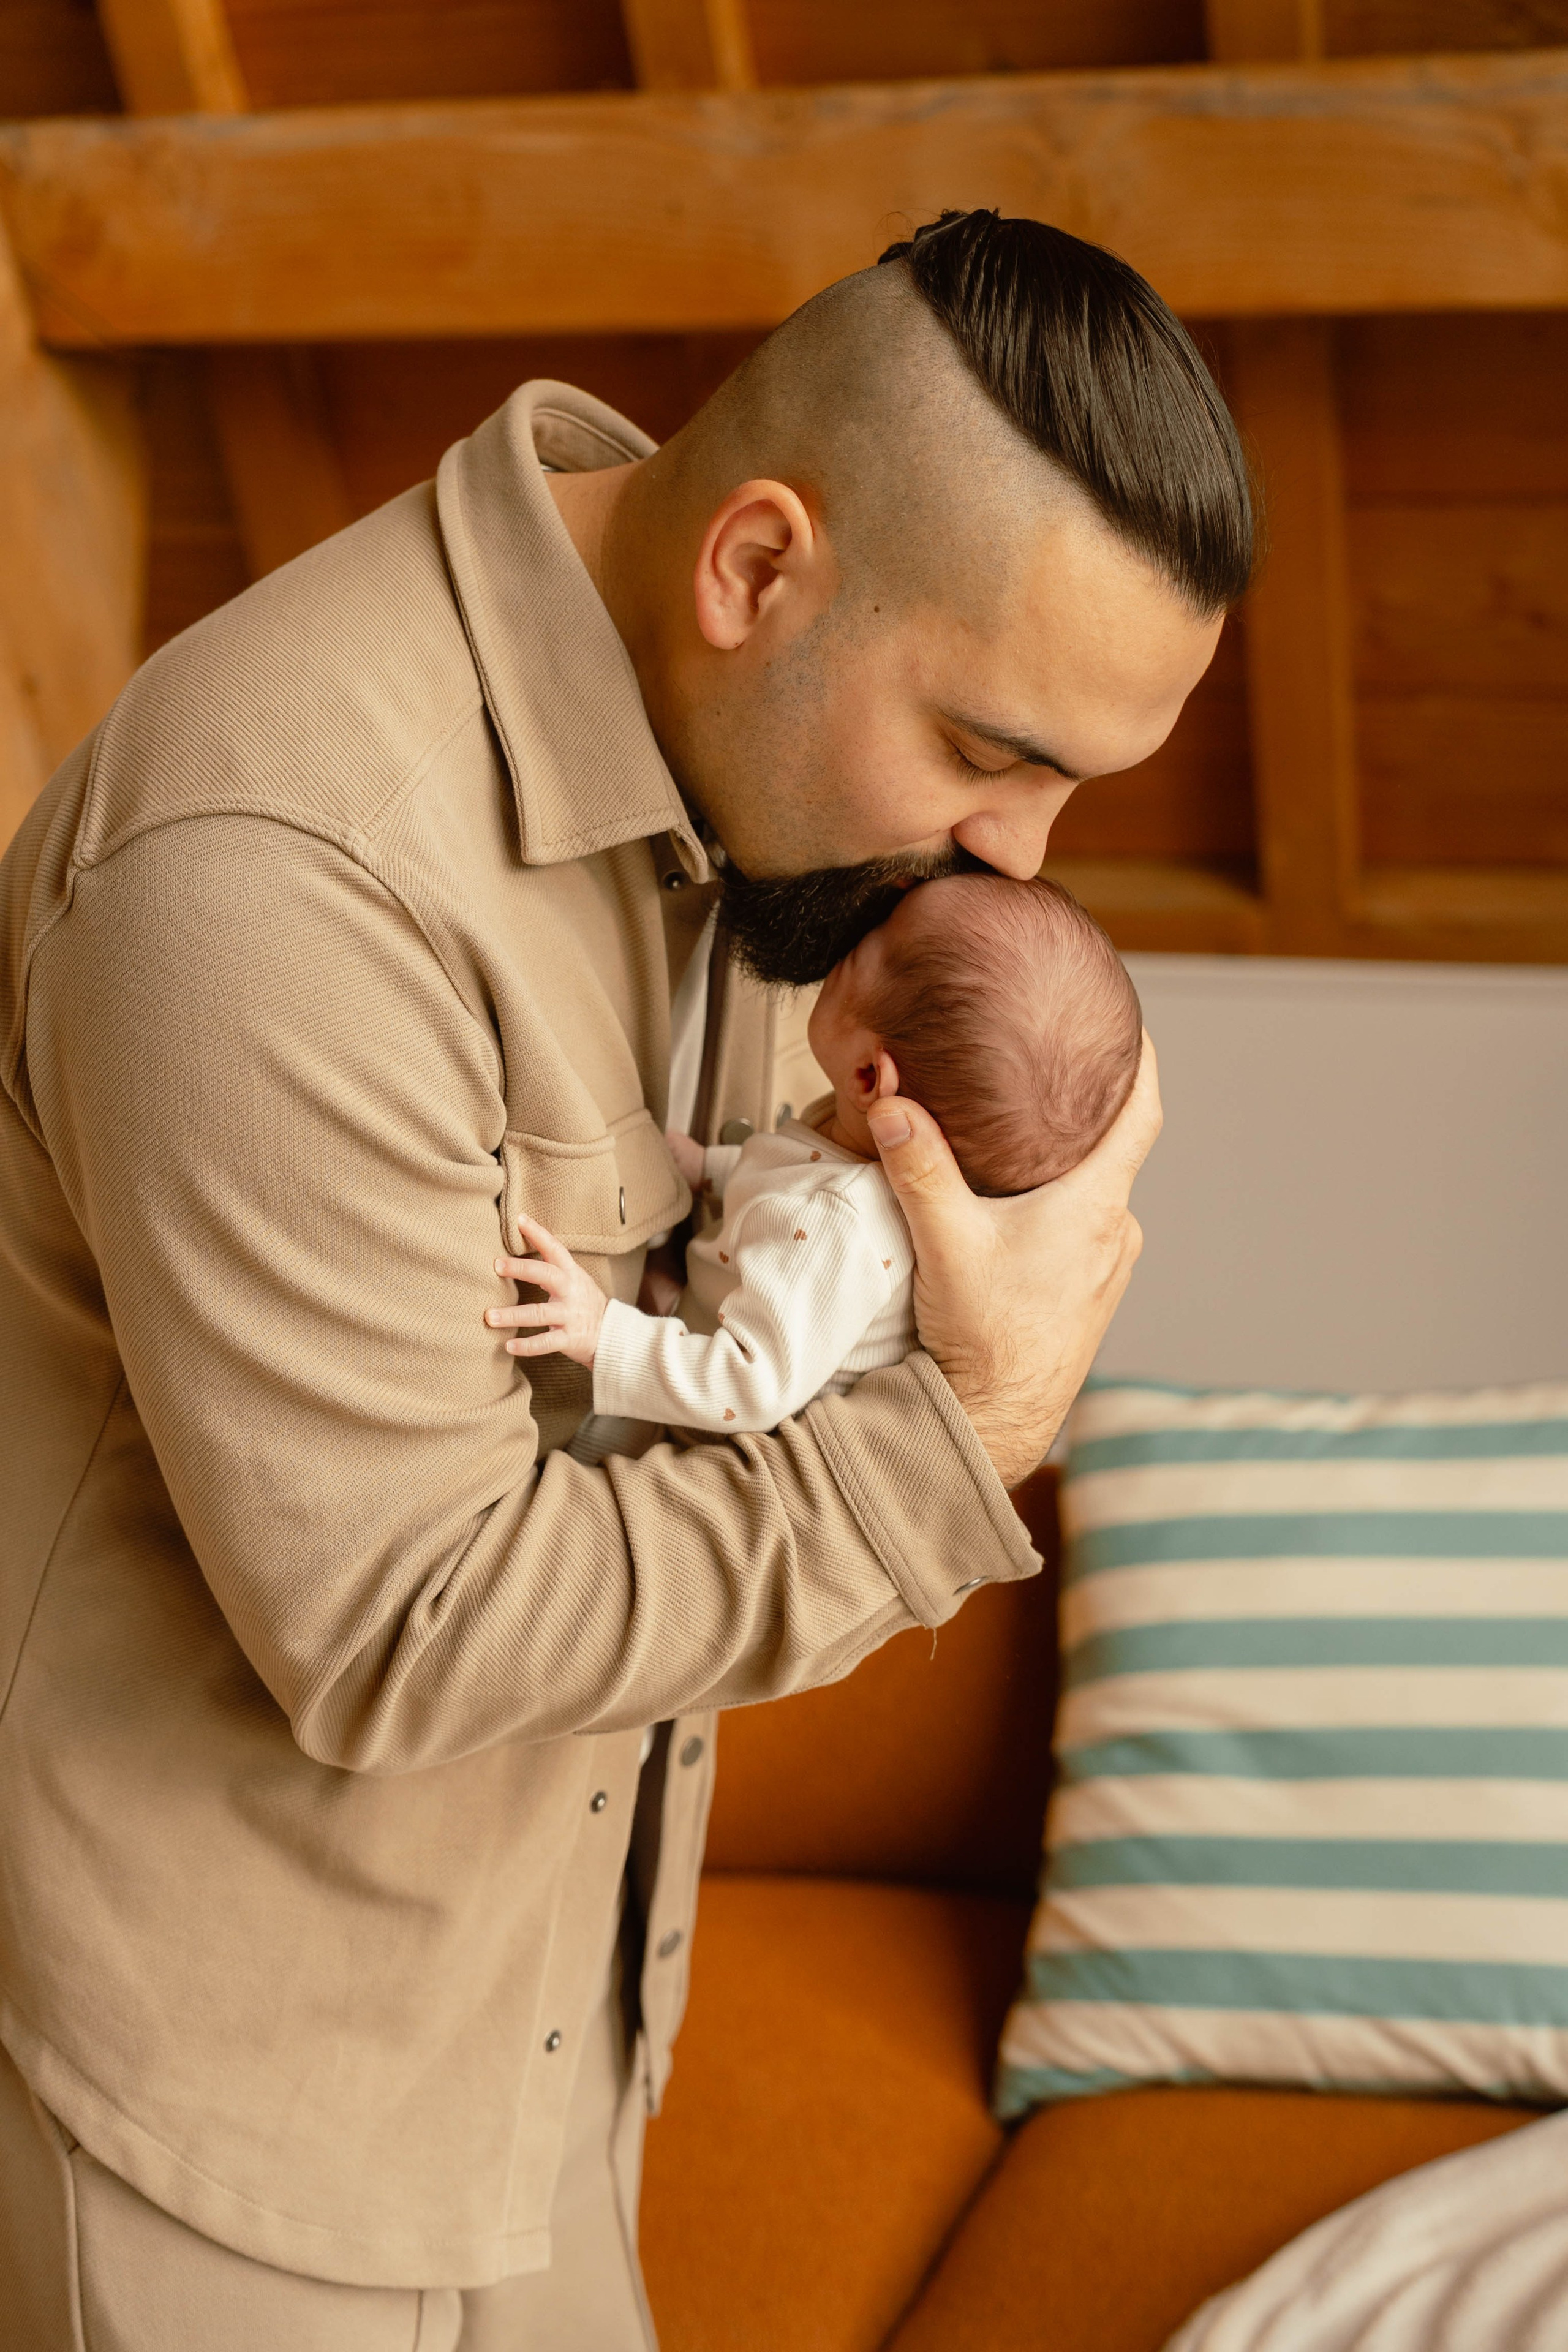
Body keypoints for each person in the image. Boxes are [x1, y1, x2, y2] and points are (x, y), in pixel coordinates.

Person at [0, 209, 1250, 2346]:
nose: (1024, 862)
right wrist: (964, 1440)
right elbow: (404, 1626)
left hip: (553, 2052)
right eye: (989, 752)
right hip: (218, 2128)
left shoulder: (763, 808)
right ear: (756, 569)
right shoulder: (281, 877)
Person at [495, 872, 1143, 1443]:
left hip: (697, 1439)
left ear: (867, 1077)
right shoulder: (845, 1155)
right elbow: (784, 1180)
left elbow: (749, 1386)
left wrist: (603, 1335)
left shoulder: (840, 1227)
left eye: (860, 952)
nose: (853, 935)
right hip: (696, 1322)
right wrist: (709, 1170)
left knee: (574, 1450)